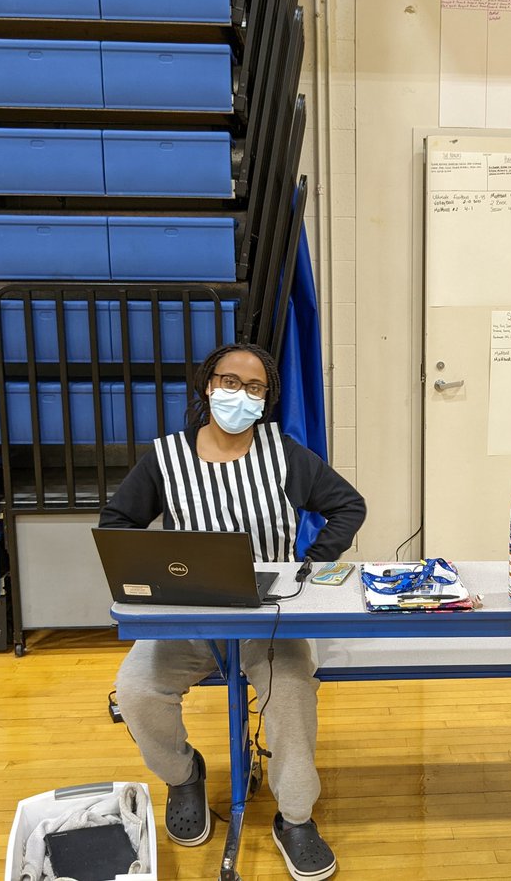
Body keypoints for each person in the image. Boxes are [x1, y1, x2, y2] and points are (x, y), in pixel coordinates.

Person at [102, 343, 366, 881]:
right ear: (207, 385)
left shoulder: (284, 454)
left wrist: (307, 566)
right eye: (229, 381)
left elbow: (347, 505)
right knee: (135, 690)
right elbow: (117, 524)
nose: (239, 395)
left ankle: (294, 817)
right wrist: (154, 574)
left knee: (291, 695)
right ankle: (183, 774)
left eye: (254, 387)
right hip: (187, 618)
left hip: (267, 617)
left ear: (266, 399)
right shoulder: (166, 458)